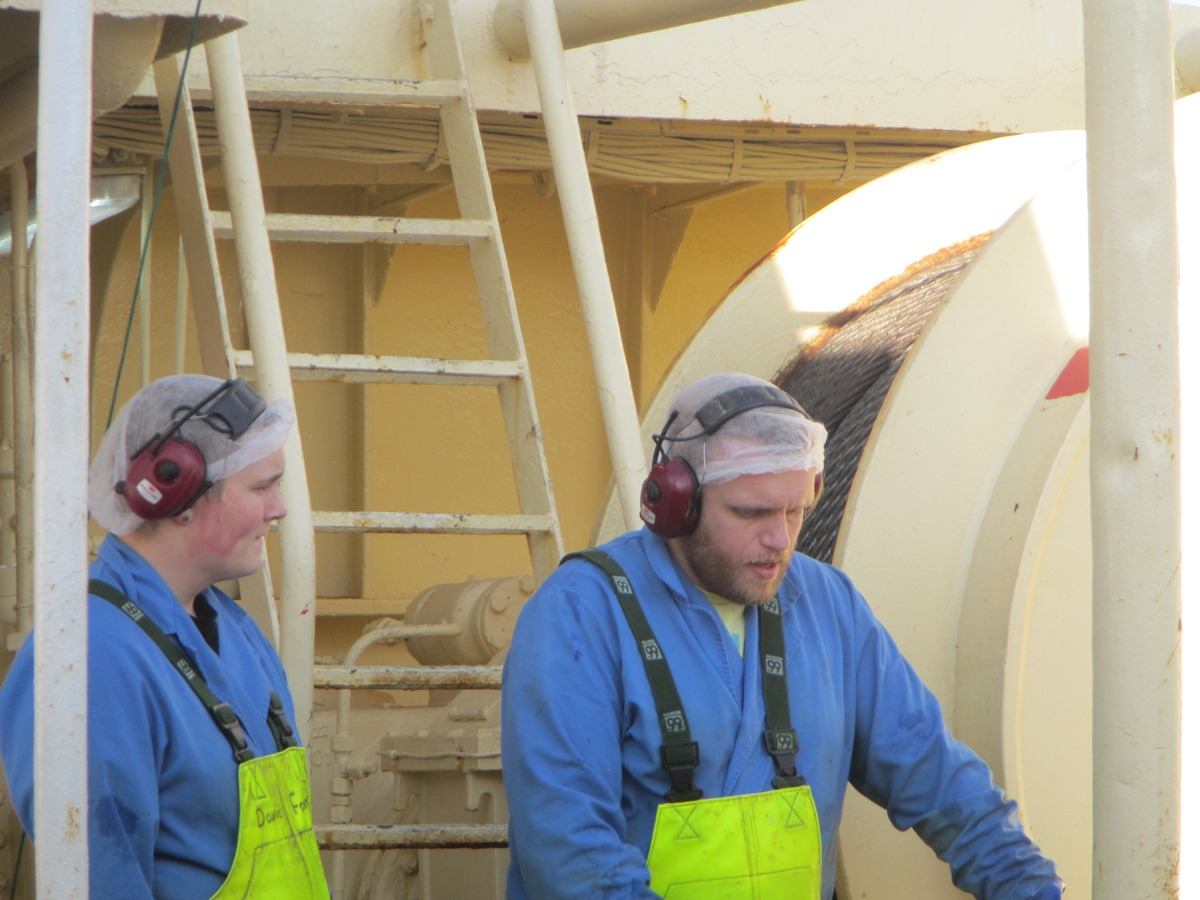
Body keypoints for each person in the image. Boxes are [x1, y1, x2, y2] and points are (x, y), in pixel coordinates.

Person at [500, 372, 1063, 900]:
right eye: (752, 513)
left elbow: (939, 778)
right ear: (675, 502)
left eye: (796, 511)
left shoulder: (829, 605)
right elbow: (570, 853)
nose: (781, 539)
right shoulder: (579, 614)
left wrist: (1031, 886)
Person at [0, 374, 329, 899]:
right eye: (261, 487)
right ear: (178, 491)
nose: (280, 508)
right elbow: (102, 880)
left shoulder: (237, 632)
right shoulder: (90, 657)